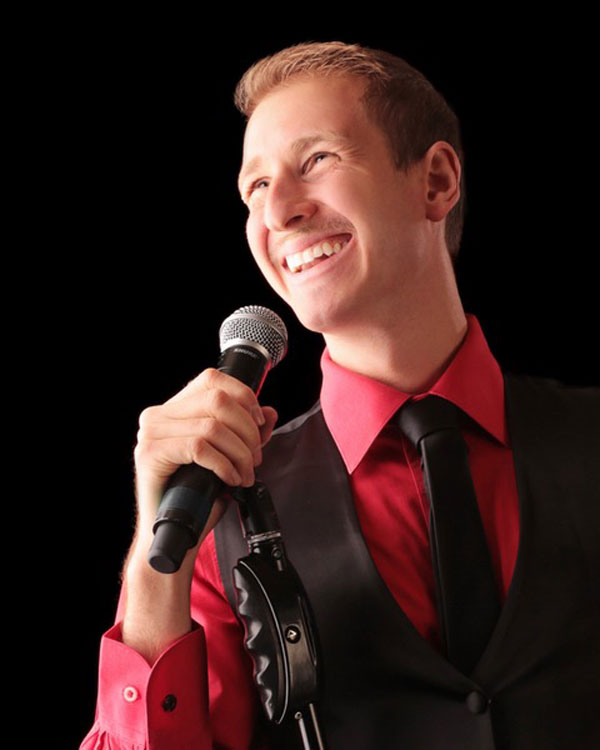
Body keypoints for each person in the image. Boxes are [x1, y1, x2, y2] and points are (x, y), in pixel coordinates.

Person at [81, 41, 599, 749]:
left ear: (436, 181)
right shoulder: (217, 513)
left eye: (318, 159)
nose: (279, 211)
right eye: (255, 188)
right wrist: (152, 563)